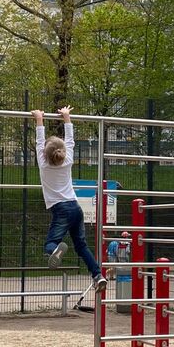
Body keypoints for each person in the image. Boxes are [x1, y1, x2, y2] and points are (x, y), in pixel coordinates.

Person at [31, 106, 107, 292]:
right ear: (63, 151)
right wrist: (66, 116)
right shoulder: (68, 160)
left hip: (61, 209)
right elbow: (69, 140)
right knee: (81, 245)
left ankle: (54, 251)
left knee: (50, 243)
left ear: (45, 155)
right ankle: (97, 275)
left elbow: (40, 142)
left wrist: (39, 118)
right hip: (75, 207)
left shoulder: (43, 164)